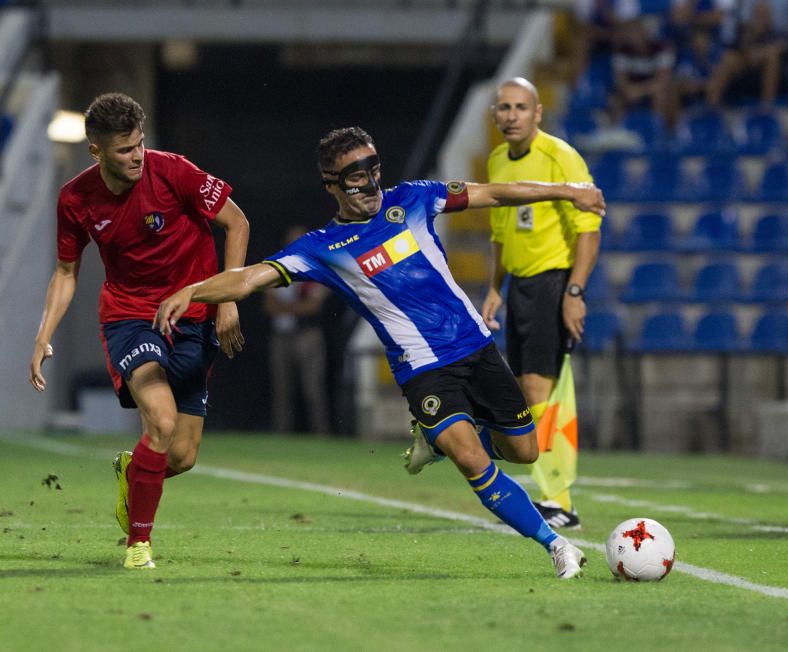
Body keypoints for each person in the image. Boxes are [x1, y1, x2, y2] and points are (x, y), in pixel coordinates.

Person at [154, 126, 606, 579]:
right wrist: (193, 292)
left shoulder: (413, 199)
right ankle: (556, 545)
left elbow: (496, 193)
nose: (370, 185)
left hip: (477, 348)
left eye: (374, 170)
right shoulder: (323, 248)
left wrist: (567, 192)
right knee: (472, 459)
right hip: (423, 368)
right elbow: (250, 278)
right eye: (355, 178)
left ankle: (438, 440)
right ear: (332, 184)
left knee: (526, 450)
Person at [28, 92, 250, 569]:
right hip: (131, 317)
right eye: (125, 149)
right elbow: (66, 272)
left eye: (140, 144)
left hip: (193, 316)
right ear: (96, 151)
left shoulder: (174, 171)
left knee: (183, 455)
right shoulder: (76, 198)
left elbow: (237, 224)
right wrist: (43, 333)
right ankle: (138, 546)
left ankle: (134, 471)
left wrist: (227, 298)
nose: (137, 156)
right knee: (162, 422)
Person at [482, 78, 602, 530]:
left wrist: (574, 292)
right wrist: (495, 287)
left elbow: (589, 230)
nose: (511, 115)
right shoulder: (496, 160)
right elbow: (498, 234)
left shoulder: (560, 157)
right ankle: (554, 495)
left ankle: (559, 500)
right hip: (519, 290)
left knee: (538, 391)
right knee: (529, 391)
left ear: (537, 114)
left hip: (552, 282)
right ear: (495, 115)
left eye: (520, 107)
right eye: (504, 108)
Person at [264, 225, 332, 435]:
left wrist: (285, 309)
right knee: (282, 390)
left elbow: (313, 307)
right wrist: (295, 308)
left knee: (313, 390)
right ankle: (281, 433)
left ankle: (322, 434)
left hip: (307, 335)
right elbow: (268, 306)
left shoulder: (316, 268)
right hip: (281, 336)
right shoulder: (275, 267)